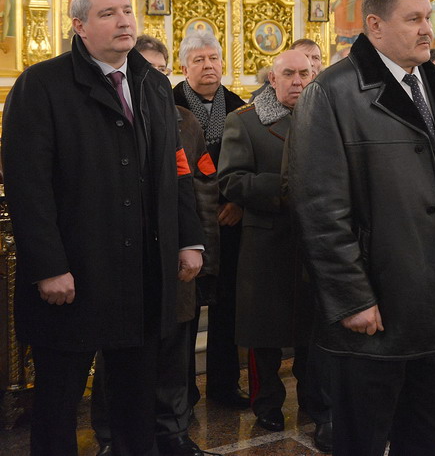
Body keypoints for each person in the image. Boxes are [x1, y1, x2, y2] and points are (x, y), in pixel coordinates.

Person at [287, 0, 435, 455]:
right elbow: (319, 210)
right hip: (376, 307)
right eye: (413, 19)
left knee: (424, 437)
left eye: (429, 17)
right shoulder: (332, 92)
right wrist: (352, 299)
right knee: (362, 440)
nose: (428, 29)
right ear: (375, 25)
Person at [2, 0, 204, 456]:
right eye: (108, 13)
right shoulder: (42, 84)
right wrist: (49, 266)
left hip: (140, 274)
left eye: (127, 11)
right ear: (79, 25)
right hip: (76, 271)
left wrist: (189, 238)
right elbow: (28, 186)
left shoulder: (153, 85)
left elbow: (175, 169)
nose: (124, 21)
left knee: (135, 401)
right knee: (59, 403)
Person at [90, 35, 220, 456]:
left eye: (160, 72)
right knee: (118, 351)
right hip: (124, 257)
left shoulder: (185, 122)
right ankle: (111, 435)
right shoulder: (106, 116)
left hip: (175, 254)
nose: (152, 78)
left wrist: (200, 246)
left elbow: (200, 186)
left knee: (174, 350)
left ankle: (172, 431)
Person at [219, 51, 330, 447]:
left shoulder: (325, 117)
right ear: (272, 78)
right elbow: (231, 180)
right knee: (264, 334)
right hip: (267, 243)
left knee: (313, 332)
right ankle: (267, 403)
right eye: (289, 74)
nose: (298, 81)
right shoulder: (245, 121)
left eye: (305, 73)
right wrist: (283, 188)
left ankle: (316, 402)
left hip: (314, 242)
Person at [173, 31, 248, 409]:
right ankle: (182, 391)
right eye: (199, 60)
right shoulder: (169, 105)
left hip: (229, 222)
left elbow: (251, 161)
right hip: (186, 224)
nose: (208, 66)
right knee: (184, 312)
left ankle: (224, 385)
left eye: (213, 58)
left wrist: (237, 203)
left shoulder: (239, 107)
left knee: (226, 309)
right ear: (184, 67)